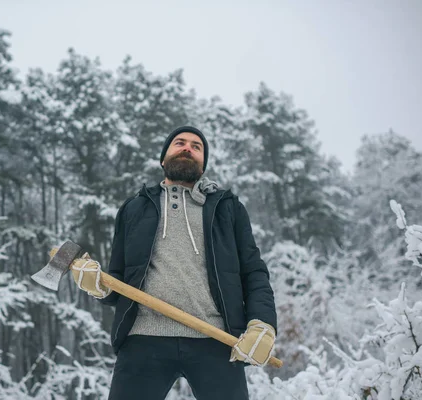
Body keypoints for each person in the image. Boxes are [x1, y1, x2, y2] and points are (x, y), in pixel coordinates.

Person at [71, 126, 278, 400]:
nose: (187, 148)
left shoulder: (227, 208)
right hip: (143, 339)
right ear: (163, 158)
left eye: (196, 146)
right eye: (179, 143)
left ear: (203, 164)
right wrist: (97, 286)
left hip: (216, 339)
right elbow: (119, 281)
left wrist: (262, 323)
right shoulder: (134, 208)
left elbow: (253, 272)